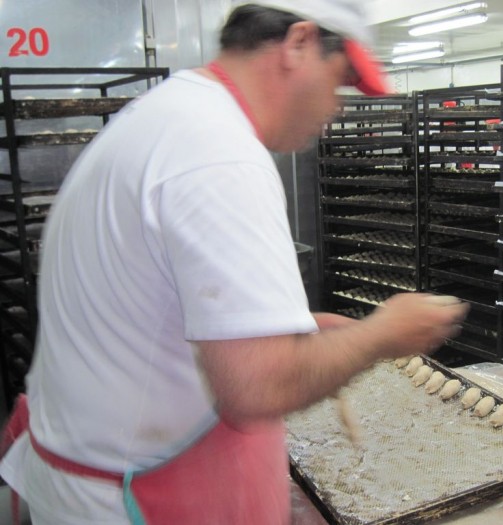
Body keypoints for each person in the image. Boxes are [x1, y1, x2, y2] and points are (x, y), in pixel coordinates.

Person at [0, 1, 469, 523]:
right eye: (339, 82)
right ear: (298, 44)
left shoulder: (166, 115)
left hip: (88, 469)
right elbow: (255, 387)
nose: (335, 107)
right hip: (136, 497)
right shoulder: (219, 153)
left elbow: (146, 311)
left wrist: (285, 329)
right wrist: (381, 335)